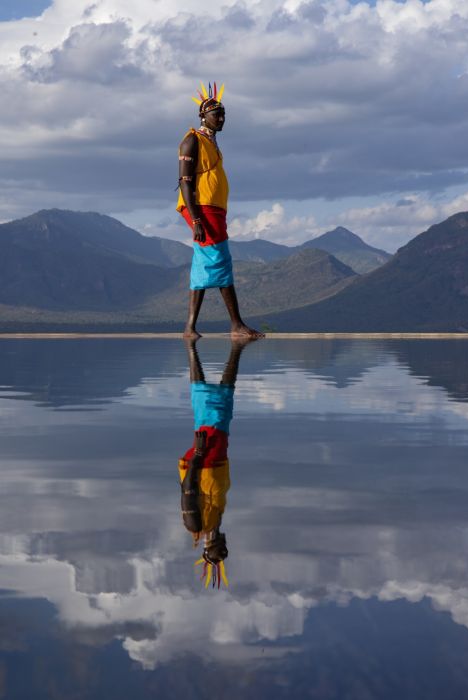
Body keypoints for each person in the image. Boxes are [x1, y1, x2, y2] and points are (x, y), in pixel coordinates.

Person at [177, 82, 264, 340]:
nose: (222, 118)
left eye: (224, 114)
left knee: (203, 264)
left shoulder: (210, 142)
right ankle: (236, 325)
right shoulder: (191, 140)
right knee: (221, 260)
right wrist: (196, 219)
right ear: (203, 116)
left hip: (214, 210)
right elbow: (185, 182)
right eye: (217, 114)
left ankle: (190, 328)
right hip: (201, 209)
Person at [178, 338, 251, 588]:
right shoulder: (216, 521)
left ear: (212, 545)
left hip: (204, 460)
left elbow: (188, 491)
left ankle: (192, 348)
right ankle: (234, 350)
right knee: (224, 406)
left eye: (222, 546)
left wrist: (198, 456)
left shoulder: (194, 525)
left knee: (209, 406)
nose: (225, 542)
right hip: (217, 457)